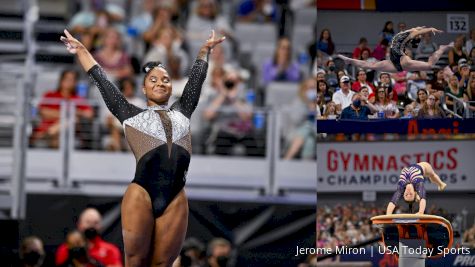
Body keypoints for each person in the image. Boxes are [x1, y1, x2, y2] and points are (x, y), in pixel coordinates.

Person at [61, 28, 225, 266]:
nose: (161, 83)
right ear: (143, 88)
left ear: (171, 87)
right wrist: (83, 50)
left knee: (162, 264)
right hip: (142, 194)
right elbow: (102, 80)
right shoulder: (129, 114)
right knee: (136, 261)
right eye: (153, 80)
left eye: (165, 80)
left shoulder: (183, 111)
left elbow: (196, 81)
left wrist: (203, 51)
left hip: (175, 197)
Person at [337, 26, 453, 72]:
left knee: (429, 66)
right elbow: (417, 29)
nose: (416, 35)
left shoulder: (407, 35)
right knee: (370, 66)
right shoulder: (404, 34)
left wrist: (429, 29)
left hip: (402, 61)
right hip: (393, 63)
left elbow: (419, 31)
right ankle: (349, 60)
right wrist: (424, 29)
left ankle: (442, 49)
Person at [31, 70, 94, 149]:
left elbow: (89, 114)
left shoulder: (78, 99)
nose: (69, 82)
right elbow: (43, 111)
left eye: (72, 80)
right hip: (47, 130)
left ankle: (49, 133)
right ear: (61, 80)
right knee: (71, 120)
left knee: (72, 121)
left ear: (75, 82)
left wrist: (56, 115)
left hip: (64, 134)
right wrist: (68, 113)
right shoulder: (50, 95)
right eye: (67, 79)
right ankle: (51, 133)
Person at [55, 208, 122, 266]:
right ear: (80, 224)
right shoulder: (66, 249)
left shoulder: (111, 250)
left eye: (95, 223)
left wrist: (92, 261)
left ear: (101, 226)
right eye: (88, 222)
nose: (91, 226)